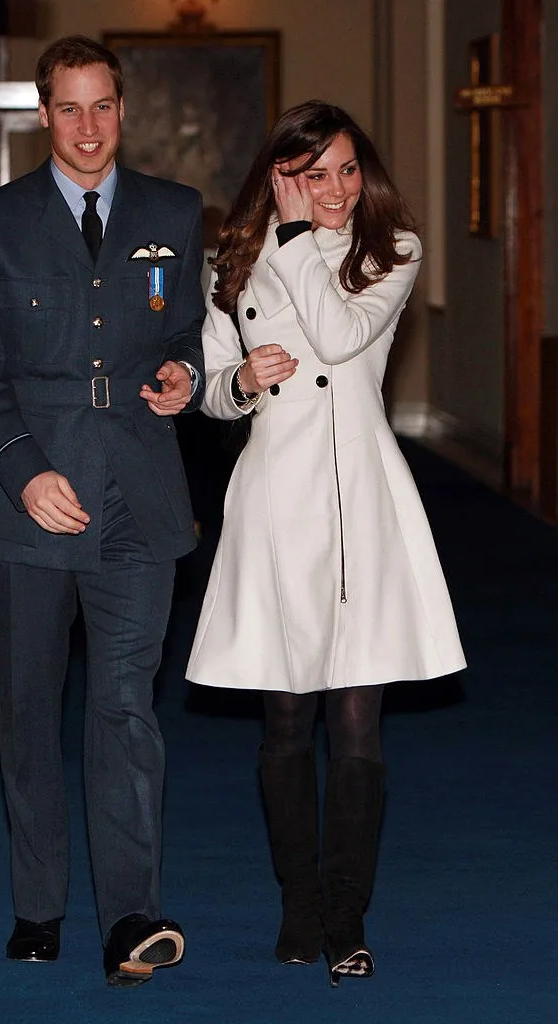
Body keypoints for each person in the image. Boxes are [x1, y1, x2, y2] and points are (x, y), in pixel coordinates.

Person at [0, 35, 206, 988]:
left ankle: (131, 913)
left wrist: (185, 373)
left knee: (126, 707)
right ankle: (39, 903)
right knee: (27, 711)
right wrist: (21, 470)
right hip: (29, 505)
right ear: (41, 115)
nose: (88, 128)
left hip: (139, 493)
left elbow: (182, 329)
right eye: (69, 109)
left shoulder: (174, 213)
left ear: (120, 109)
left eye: (104, 107)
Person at [186, 101, 466, 987]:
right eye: (314, 174)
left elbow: (340, 339)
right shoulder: (230, 260)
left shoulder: (393, 252)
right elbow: (211, 391)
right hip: (275, 498)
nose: (336, 188)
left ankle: (346, 917)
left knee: (355, 722)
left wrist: (298, 233)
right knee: (282, 717)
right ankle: (297, 906)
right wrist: (236, 378)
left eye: (347, 169)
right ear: (280, 176)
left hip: (359, 503)